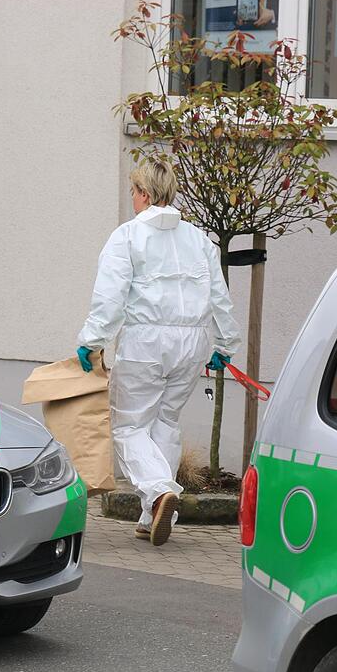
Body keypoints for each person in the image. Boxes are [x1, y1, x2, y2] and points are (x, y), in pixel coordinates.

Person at [76, 159, 241, 546]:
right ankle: (153, 515)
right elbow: (220, 296)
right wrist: (225, 345)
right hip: (193, 344)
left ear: (145, 194)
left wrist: (92, 339)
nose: (132, 198)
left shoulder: (128, 237)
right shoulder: (199, 239)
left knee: (130, 425)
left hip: (145, 342)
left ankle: (158, 489)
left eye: (134, 191)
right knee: (164, 421)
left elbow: (110, 296)